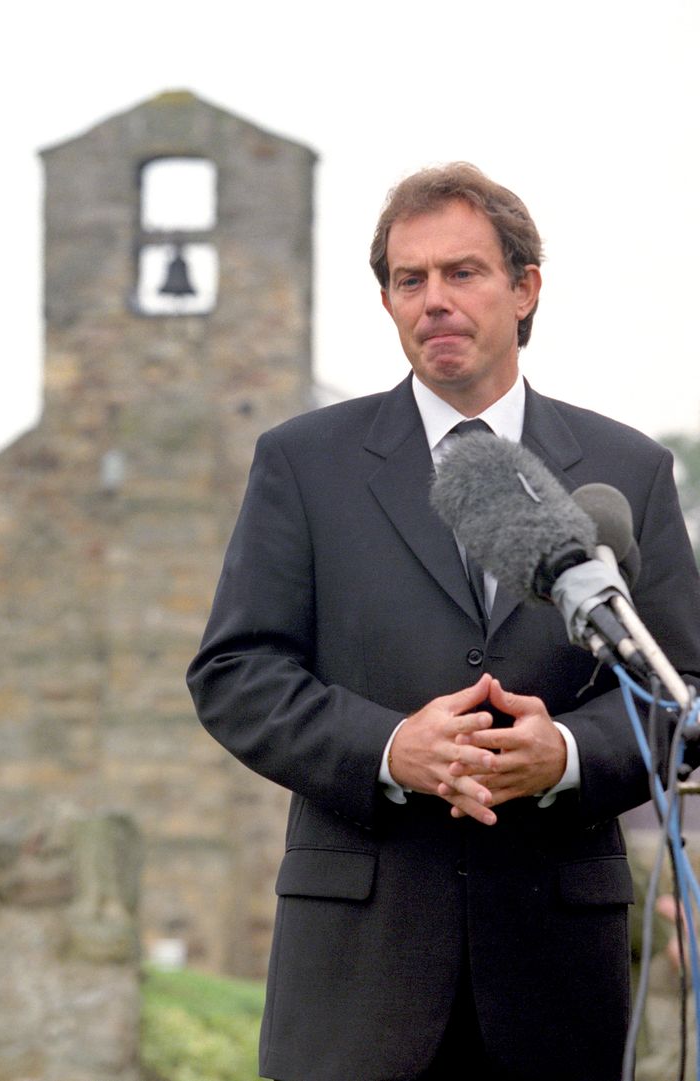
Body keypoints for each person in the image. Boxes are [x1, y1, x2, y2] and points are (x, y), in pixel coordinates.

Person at [187, 163, 700, 1081]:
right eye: (408, 279)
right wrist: (391, 749)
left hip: (557, 983)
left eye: (462, 272)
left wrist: (568, 756)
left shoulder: (630, 469)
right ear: (386, 300)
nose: (433, 300)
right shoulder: (304, 463)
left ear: (525, 287)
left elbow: (684, 691)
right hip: (356, 978)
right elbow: (235, 671)